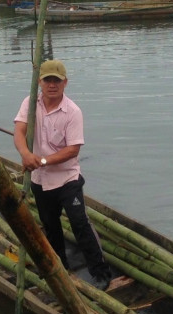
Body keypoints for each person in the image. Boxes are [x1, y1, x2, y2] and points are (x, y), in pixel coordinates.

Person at [13, 60, 129, 291]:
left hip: (67, 179)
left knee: (80, 224)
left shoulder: (72, 111)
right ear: (40, 82)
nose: (52, 85)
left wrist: (42, 160)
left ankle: (100, 272)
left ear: (65, 83)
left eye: (57, 80)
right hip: (39, 180)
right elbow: (19, 130)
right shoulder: (30, 102)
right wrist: (26, 154)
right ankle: (60, 268)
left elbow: (72, 150)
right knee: (50, 225)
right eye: (48, 80)